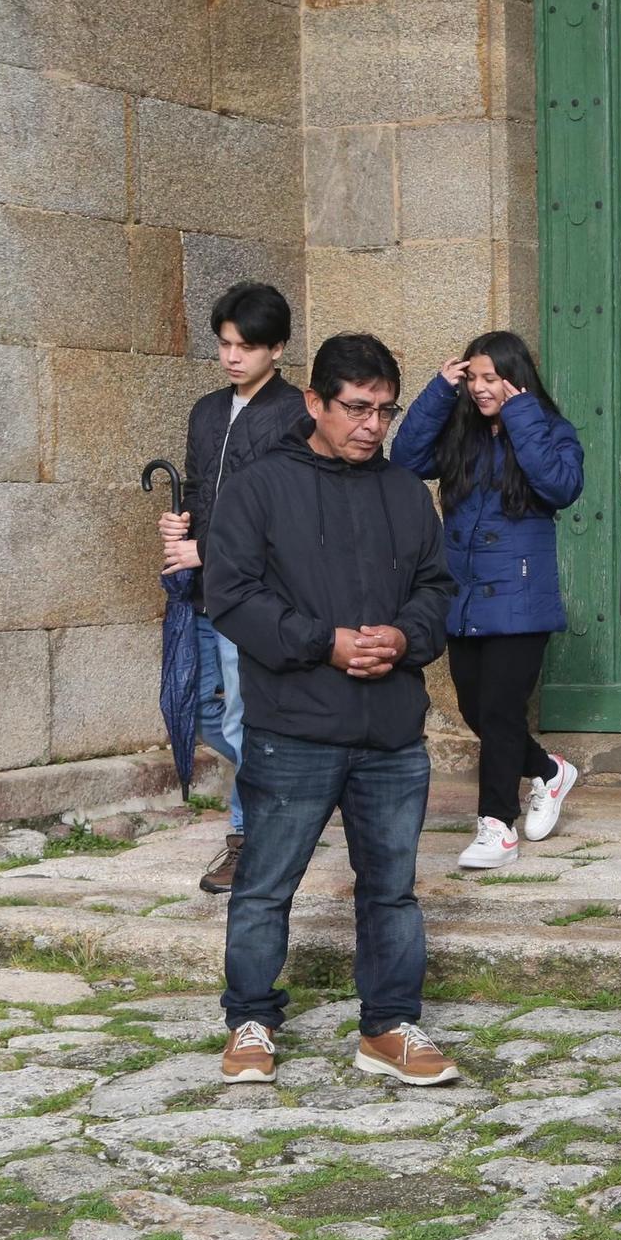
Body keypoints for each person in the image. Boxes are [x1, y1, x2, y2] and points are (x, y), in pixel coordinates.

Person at [206, 332, 460, 1089]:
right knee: (264, 885)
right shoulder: (257, 486)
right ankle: (251, 1020)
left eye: (385, 410)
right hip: (294, 726)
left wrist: (402, 635)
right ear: (314, 401)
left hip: (390, 732)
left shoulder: (406, 492)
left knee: (392, 889)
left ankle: (388, 1025)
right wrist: (327, 643)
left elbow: (438, 591)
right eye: (356, 408)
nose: (372, 426)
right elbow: (231, 594)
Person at [392, 331, 586, 871]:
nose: (480, 389)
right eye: (471, 377)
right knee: (479, 710)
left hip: (521, 599)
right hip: (464, 595)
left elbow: (560, 486)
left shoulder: (550, 430)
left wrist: (521, 414)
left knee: (500, 711)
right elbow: (406, 461)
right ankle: (548, 771)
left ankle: (496, 825)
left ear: (516, 377)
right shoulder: (463, 432)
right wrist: (437, 392)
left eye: (490, 378)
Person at [158, 282, 307, 895]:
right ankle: (288, 795)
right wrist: (178, 524)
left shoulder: (297, 413)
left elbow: (288, 518)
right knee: (192, 712)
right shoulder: (207, 411)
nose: (231, 357)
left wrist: (208, 549)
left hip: (254, 594)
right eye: (224, 344)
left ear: (276, 347)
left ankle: (248, 841)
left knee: (245, 714)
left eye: (245, 346)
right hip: (200, 590)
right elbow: (201, 490)